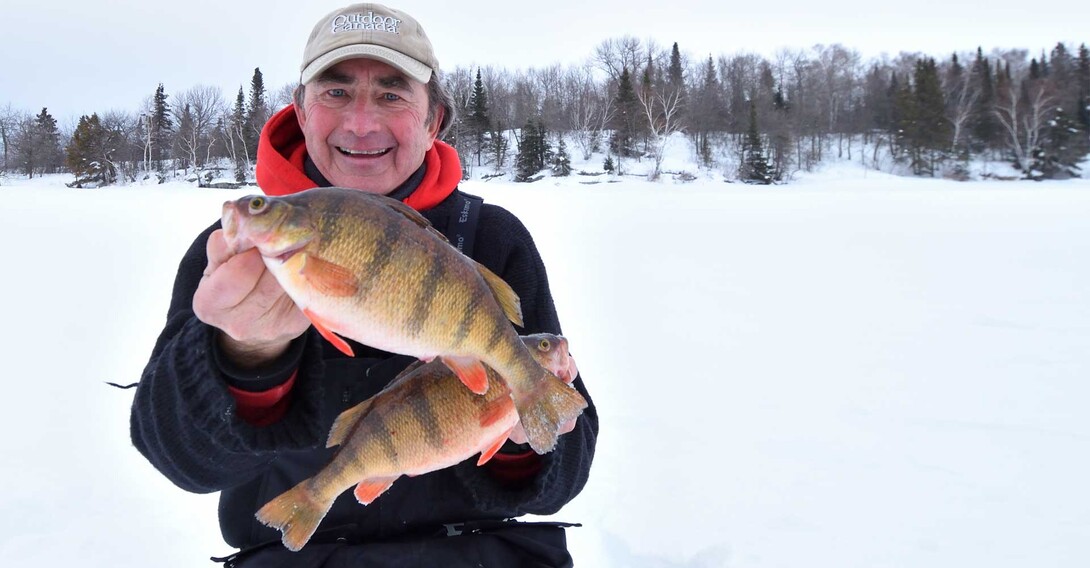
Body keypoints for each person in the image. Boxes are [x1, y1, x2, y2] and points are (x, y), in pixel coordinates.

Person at [130, 3, 597, 566]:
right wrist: (248, 360)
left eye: (392, 94)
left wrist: (516, 444)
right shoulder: (238, 256)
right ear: (300, 112)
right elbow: (180, 460)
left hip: (478, 550)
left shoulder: (493, 241)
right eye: (336, 92)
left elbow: (563, 470)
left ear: (432, 122)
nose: (360, 123)